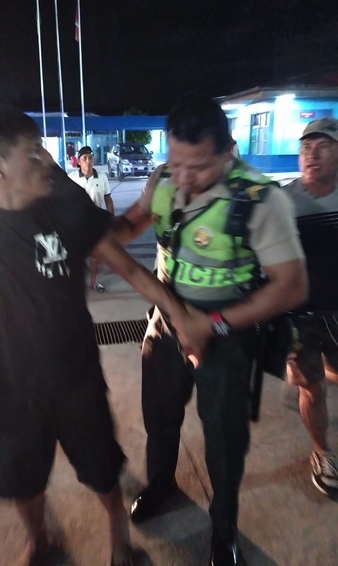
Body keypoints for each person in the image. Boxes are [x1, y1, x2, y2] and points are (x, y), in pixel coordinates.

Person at [0, 107, 204, 566]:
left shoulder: (66, 214)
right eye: (32, 153)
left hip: (77, 376)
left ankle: (119, 539)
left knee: (101, 468)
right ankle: (38, 541)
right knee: (21, 479)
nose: (47, 161)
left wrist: (180, 316)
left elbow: (130, 269)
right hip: (9, 384)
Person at [112, 96, 308, 566]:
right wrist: (86, 230)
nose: (182, 177)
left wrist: (212, 325)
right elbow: (131, 224)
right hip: (166, 324)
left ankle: (224, 530)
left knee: (224, 438)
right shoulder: (164, 180)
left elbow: (291, 286)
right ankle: (162, 485)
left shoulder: (260, 199)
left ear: (227, 151)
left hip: (228, 334)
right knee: (159, 418)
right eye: (176, 161)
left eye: (197, 167)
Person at [281, 117, 338, 498]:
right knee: (312, 389)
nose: (312, 154)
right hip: (300, 317)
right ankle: (322, 452)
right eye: (305, 147)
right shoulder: (283, 202)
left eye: (323, 146)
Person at [69, 145, 115, 292]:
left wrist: (111, 218)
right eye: (84, 158)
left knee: (95, 256)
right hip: (76, 224)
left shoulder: (101, 177)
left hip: (95, 222)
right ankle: (74, 284)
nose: (88, 161)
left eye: (90, 158)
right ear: (79, 162)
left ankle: (93, 282)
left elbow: (108, 198)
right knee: (75, 256)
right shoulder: (71, 178)